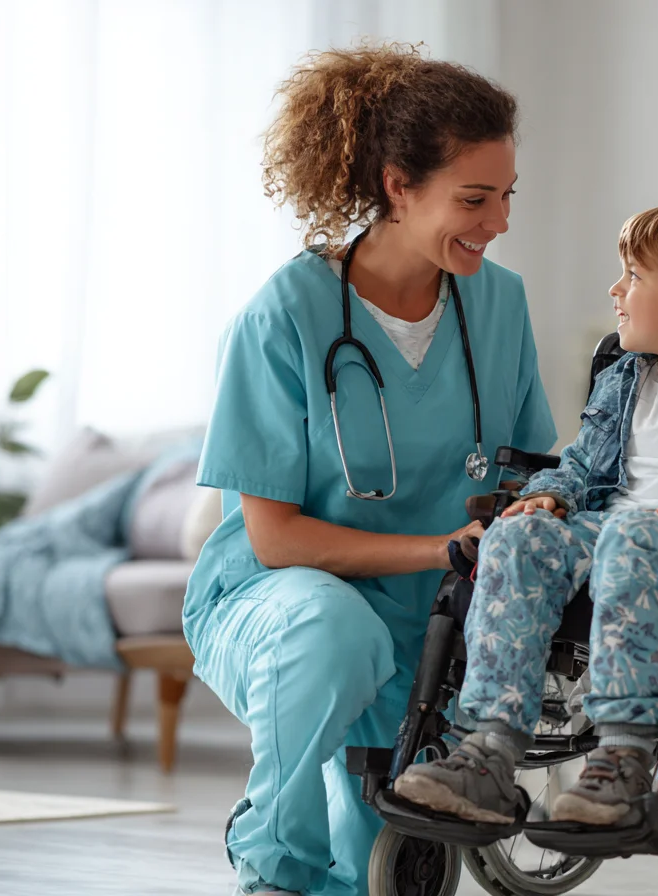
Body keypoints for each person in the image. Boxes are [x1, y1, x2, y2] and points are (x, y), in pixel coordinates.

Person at [183, 43, 556, 896]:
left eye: (506, 197)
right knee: (332, 634)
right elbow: (276, 539)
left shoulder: (500, 303)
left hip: (427, 621)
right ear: (398, 185)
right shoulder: (285, 315)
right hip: (281, 600)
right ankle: (271, 856)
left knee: (382, 876)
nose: (497, 221)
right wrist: (438, 548)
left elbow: (533, 466)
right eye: (473, 199)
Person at [394, 198, 658, 827]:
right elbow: (583, 464)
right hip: (605, 530)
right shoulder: (621, 381)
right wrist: (552, 494)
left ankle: (622, 757)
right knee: (518, 537)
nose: (616, 289)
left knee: (633, 533)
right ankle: (487, 751)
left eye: (636, 277)